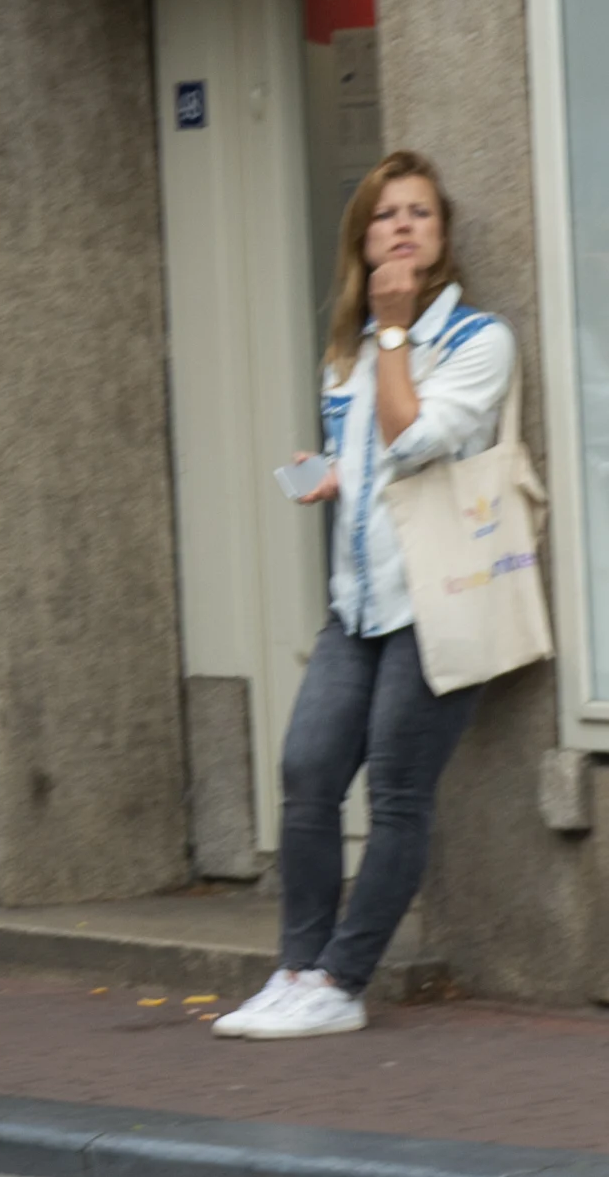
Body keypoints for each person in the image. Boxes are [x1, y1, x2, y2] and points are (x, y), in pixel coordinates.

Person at [218, 151, 514, 1043]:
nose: (402, 226)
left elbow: (416, 441)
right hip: (357, 605)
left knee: (395, 793)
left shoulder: (477, 341)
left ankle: (343, 982)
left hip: (436, 604)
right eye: (387, 214)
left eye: (420, 212)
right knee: (308, 774)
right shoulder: (345, 349)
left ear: (443, 236)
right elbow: (370, 459)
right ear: (363, 234)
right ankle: (297, 969)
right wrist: (328, 476)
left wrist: (393, 333)